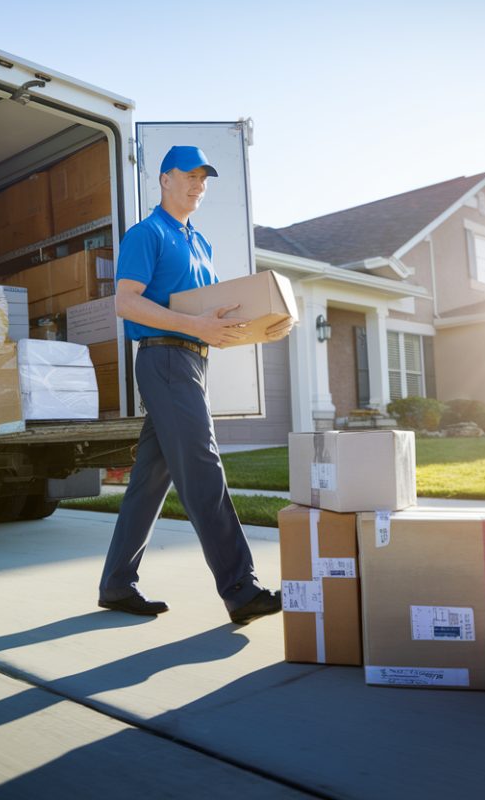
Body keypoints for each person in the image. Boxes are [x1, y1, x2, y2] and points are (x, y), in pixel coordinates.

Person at [97, 145, 295, 625]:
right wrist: (196, 329)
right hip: (164, 360)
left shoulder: (200, 243)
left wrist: (261, 327)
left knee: (149, 480)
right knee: (204, 469)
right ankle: (240, 589)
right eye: (189, 175)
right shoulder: (147, 234)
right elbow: (126, 303)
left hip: (191, 362)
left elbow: (214, 319)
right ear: (165, 180)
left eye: (204, 178)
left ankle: (117, 585)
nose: (198, 185)